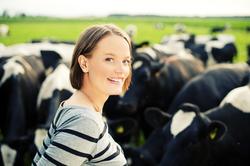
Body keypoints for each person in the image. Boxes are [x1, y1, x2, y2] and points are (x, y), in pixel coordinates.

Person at [32, 24, 132, 166]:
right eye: (109, 59)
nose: (121, 69)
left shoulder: (78, 109)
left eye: (126, 61)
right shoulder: (85, 121)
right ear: (84, 63)